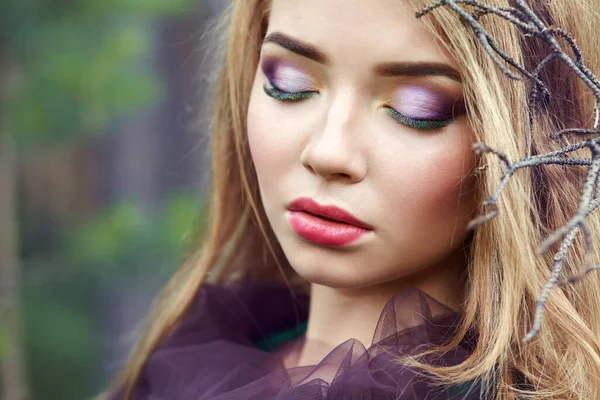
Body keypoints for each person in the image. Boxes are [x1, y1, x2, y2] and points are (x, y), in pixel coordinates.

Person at [106, 0, 600, 399]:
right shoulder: (192, 361)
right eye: (290, 83)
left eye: (416, 108)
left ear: (533, 141)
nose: (328, 152)